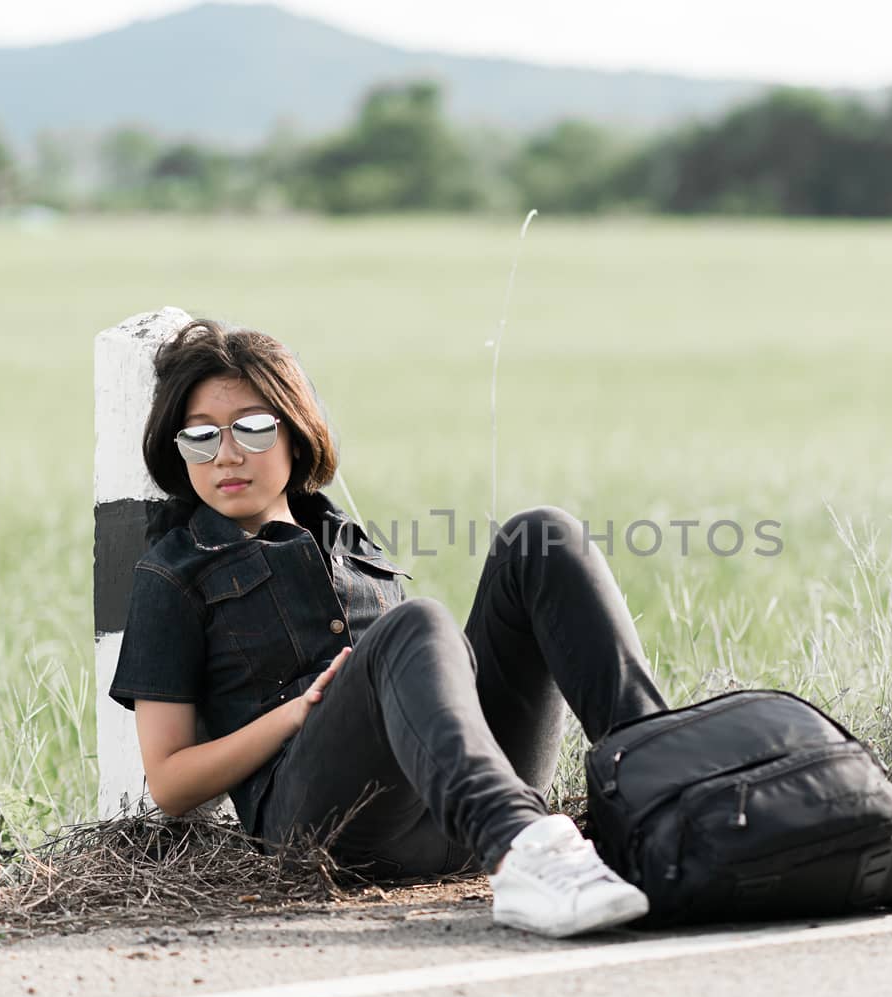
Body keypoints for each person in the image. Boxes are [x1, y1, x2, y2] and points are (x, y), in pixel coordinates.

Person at [107, 318, 671, 938]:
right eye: (201, 438)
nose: (227, 455)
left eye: (253, 427)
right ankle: (522, 849)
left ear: (295, 433)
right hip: (327, 829)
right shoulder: (174, 573)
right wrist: (293, 716)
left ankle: (670, 801)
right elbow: (169, 782)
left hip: (446, 800)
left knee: (541, 538)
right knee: (419, 621)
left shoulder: (347, 539)